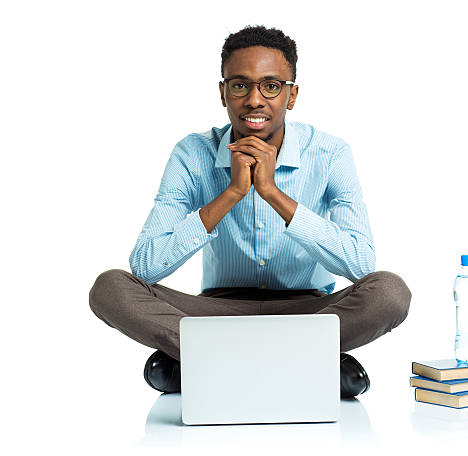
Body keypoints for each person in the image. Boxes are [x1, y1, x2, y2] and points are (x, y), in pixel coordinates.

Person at [89, 25, 411, 398]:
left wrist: (272, 193)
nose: (254, 100)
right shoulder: (192, 153)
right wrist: (233, 193)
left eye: (271, 86)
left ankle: (203, 363)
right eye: (240, 85)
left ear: (291, 96)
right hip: (215, 314)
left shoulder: (330, 153)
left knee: (390, 292)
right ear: (223, 92)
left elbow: (361, 264)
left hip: (309, 313)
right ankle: (311, 362)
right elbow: (144, 267)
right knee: (109, 288)